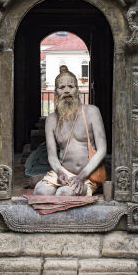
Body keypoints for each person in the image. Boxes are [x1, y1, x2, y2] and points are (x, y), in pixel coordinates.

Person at [34, 65, 107, 196]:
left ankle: (86, 187)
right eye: (62, 87)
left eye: (71, 87)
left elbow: (102, 150)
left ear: (77, 90)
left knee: (63, 193)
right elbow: (52, 156)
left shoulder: (92, 112)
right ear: (56, 92)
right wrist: (60, 172)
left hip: (88, 174)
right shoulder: (51, 120)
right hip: (64, 172)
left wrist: (82, 176)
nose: (66, 91)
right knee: (40, 191)